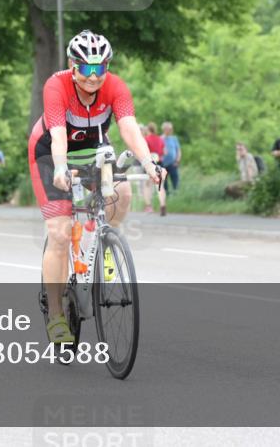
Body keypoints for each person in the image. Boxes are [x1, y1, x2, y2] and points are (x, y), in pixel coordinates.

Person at [29, 30, 162, 345]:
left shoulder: (115, 87)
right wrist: (61, 168)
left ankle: (105, 245)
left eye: (99, 68)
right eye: (86, 68)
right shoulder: (56, 86)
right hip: (51, 152)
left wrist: (148, 163)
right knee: (60, 232)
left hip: (93, 149)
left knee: (122, 192)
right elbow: (59, 133)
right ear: (73, 66)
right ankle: (57, 315)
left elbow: (129, 128)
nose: (93, 76)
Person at [142, 122, 167, 216]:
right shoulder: (160, 139)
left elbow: (143, 151)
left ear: (147, 130)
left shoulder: (146, 139)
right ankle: (162, 205)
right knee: (160, 185)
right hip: (159, 163)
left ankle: (148, 206)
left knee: (147, 185)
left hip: (150, 164)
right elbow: (165, 152)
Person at [160, 122, 181, 193]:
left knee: (175, 179)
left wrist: (177, 161)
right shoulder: (160, 139)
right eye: (169, 129)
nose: (171, 130)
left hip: (173, 163)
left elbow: (178, 150)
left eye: (171, 129)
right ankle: (166, 195)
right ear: (164, 129)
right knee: (164, 181)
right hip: (163, 164)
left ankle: (176, 193)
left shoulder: (174, 138)